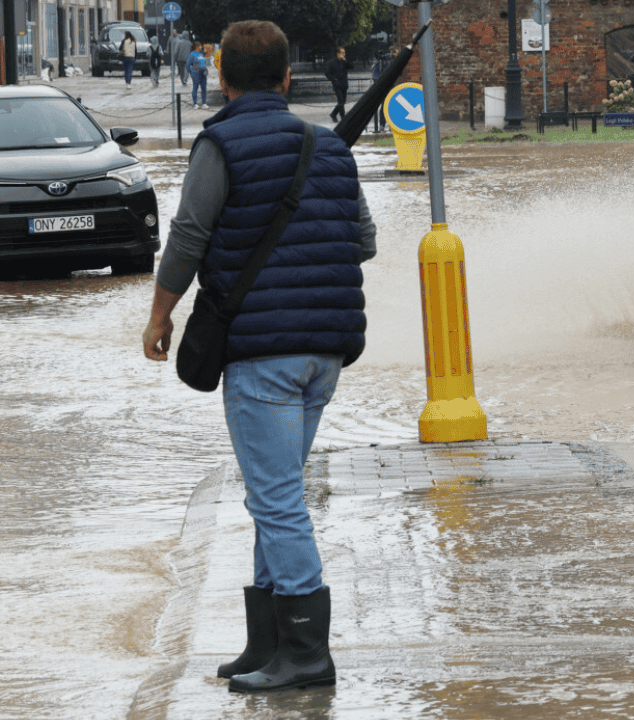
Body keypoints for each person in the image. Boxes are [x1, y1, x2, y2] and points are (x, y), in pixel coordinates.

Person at [142, 18, 376, 694]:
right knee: (274, 495)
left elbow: (187, 237)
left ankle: (306, 655)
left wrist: (160, 317)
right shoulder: (328, 145)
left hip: (262, 354)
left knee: (276, 501)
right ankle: (266, 643)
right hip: (325, 352)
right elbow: (362, 238)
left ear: (221, 78)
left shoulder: (219, 144)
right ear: (283, 78)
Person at [325, 46, 352, 122]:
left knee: (342, 102)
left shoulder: (344, 62)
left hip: (344, 84)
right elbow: (327, 73)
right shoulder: (331, 62)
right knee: (340, 101)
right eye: (342, 53)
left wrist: (345, 60)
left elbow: (351, 66)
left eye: (344, 53)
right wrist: (333, 79)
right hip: (337, 84)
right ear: (338, 53)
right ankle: (343, 117)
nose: (344, 54)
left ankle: (333, 114)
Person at [187, 41, 208, 109]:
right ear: (196, 47)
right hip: (196, 73)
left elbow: (203, 62)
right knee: (195, 87)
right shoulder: (192, 54)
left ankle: (204, 103)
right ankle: (195, 103)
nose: (201, 47)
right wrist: (192, 72)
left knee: (204, 88)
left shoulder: (201, 54)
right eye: (200, 46)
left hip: (203, 73)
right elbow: (188, 65)